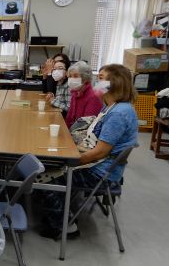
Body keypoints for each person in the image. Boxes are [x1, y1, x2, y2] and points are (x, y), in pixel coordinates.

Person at [40, 64, 138, 239]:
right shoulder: (112, 106)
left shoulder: (118, 114)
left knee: (47, 177)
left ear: (114, 82)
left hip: (101, 172)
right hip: (100, 165)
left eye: (100, 78)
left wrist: (69, 161)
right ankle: (55, 214)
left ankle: (64, 227)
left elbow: (99, 152)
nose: (96, 82)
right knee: (50, 167)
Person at [65, 61, 103, 128]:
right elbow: (69, 118)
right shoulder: (75, 93)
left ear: (85, 78)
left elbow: (86, 125)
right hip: (72, 132)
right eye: (70, 76)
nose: (71, 79)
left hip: (81, 135)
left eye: (75, 76)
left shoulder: (93, 97)